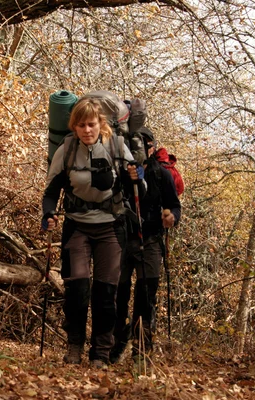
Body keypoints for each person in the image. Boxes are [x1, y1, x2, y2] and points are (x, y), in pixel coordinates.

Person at [41, 97, 146, 368]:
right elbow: (52, 191)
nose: (87, 130)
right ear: (74, 127)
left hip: (111, 226)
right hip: (77, 225)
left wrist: (137, 177)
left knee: (106, 292)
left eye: (92, 124)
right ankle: (74, 346)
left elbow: (139, 189)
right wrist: (49, 214)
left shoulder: (117, 146)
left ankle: (100, 351)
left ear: (101, 124)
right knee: (77, 289)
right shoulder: (66, 149)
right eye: (81, 125)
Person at [110, 127, 182, 366]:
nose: (141, 151)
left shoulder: (162, 174)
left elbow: (174, 205)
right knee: (116, 296)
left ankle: (141, 352)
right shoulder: (117, 173)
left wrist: (172, 216)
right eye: (136, 147)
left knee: (146, 296)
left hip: (150, 240)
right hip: (120, 240)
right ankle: (115, 345)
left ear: (152, 147)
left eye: (145, 146)